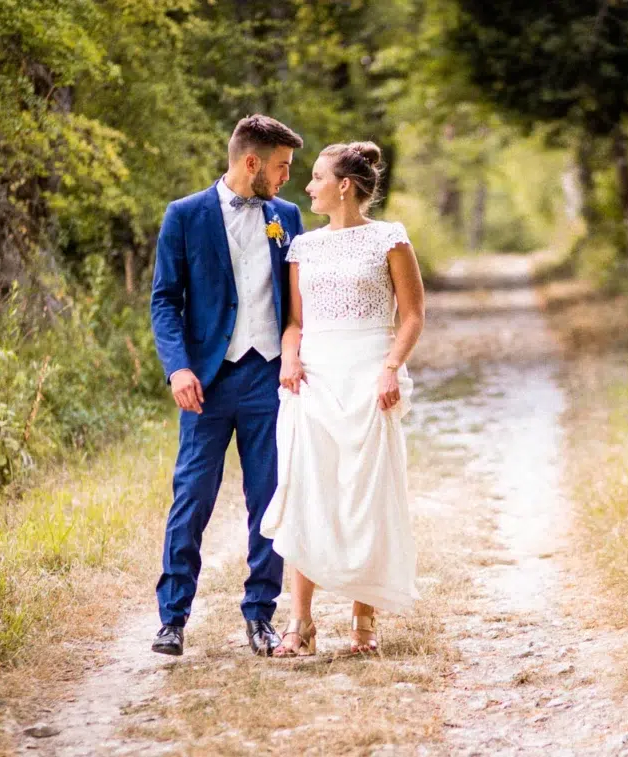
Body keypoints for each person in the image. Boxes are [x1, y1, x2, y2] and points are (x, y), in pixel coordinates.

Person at [260, 141, 426, 657]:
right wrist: (290, 358)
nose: (308, 186)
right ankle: (300, 623)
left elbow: (413, 316)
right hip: (314, 378)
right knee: (308, 490)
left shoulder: (390, 240)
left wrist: (390, 368)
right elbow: (295, 323)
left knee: (365, 494)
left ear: (344, 186)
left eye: (316, 177)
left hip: (368, 376)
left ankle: (362, 620)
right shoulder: (303, 248)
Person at [148, 115, 306, 657]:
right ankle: (172, 618)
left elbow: (299, 300)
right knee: (191, 498)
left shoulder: (287, 218)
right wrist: (178, 367)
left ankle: (260, 615)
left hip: (269, 378)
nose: (288, 177)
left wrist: (296, 355)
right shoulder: (185, 216)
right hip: (207, 382)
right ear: (252, 163)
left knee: (270, 499)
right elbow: (165, 300)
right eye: (282, 166)